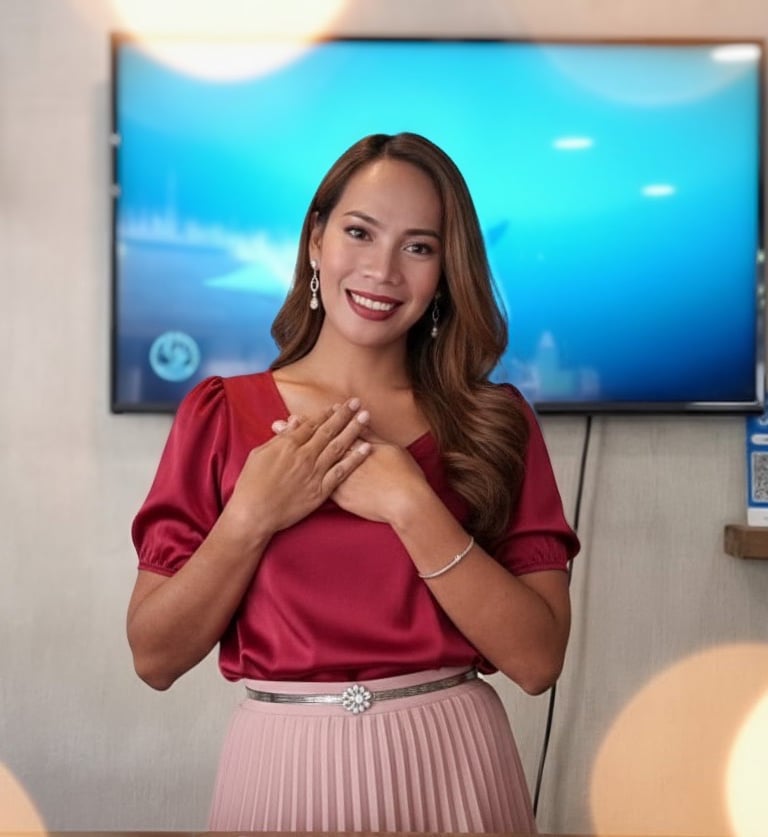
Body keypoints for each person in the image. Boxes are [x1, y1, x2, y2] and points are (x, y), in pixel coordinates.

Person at [127, 132, 580, 834]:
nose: (383, 270)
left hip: (454, 769)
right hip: (280, 772)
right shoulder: (219, 415)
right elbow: (153, 656)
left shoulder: (497, 423)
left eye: (419, 246)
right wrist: (253, 513)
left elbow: (536, 659)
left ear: (445, 272)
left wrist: (408, 500)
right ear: (315, 239)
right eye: (360, 232)